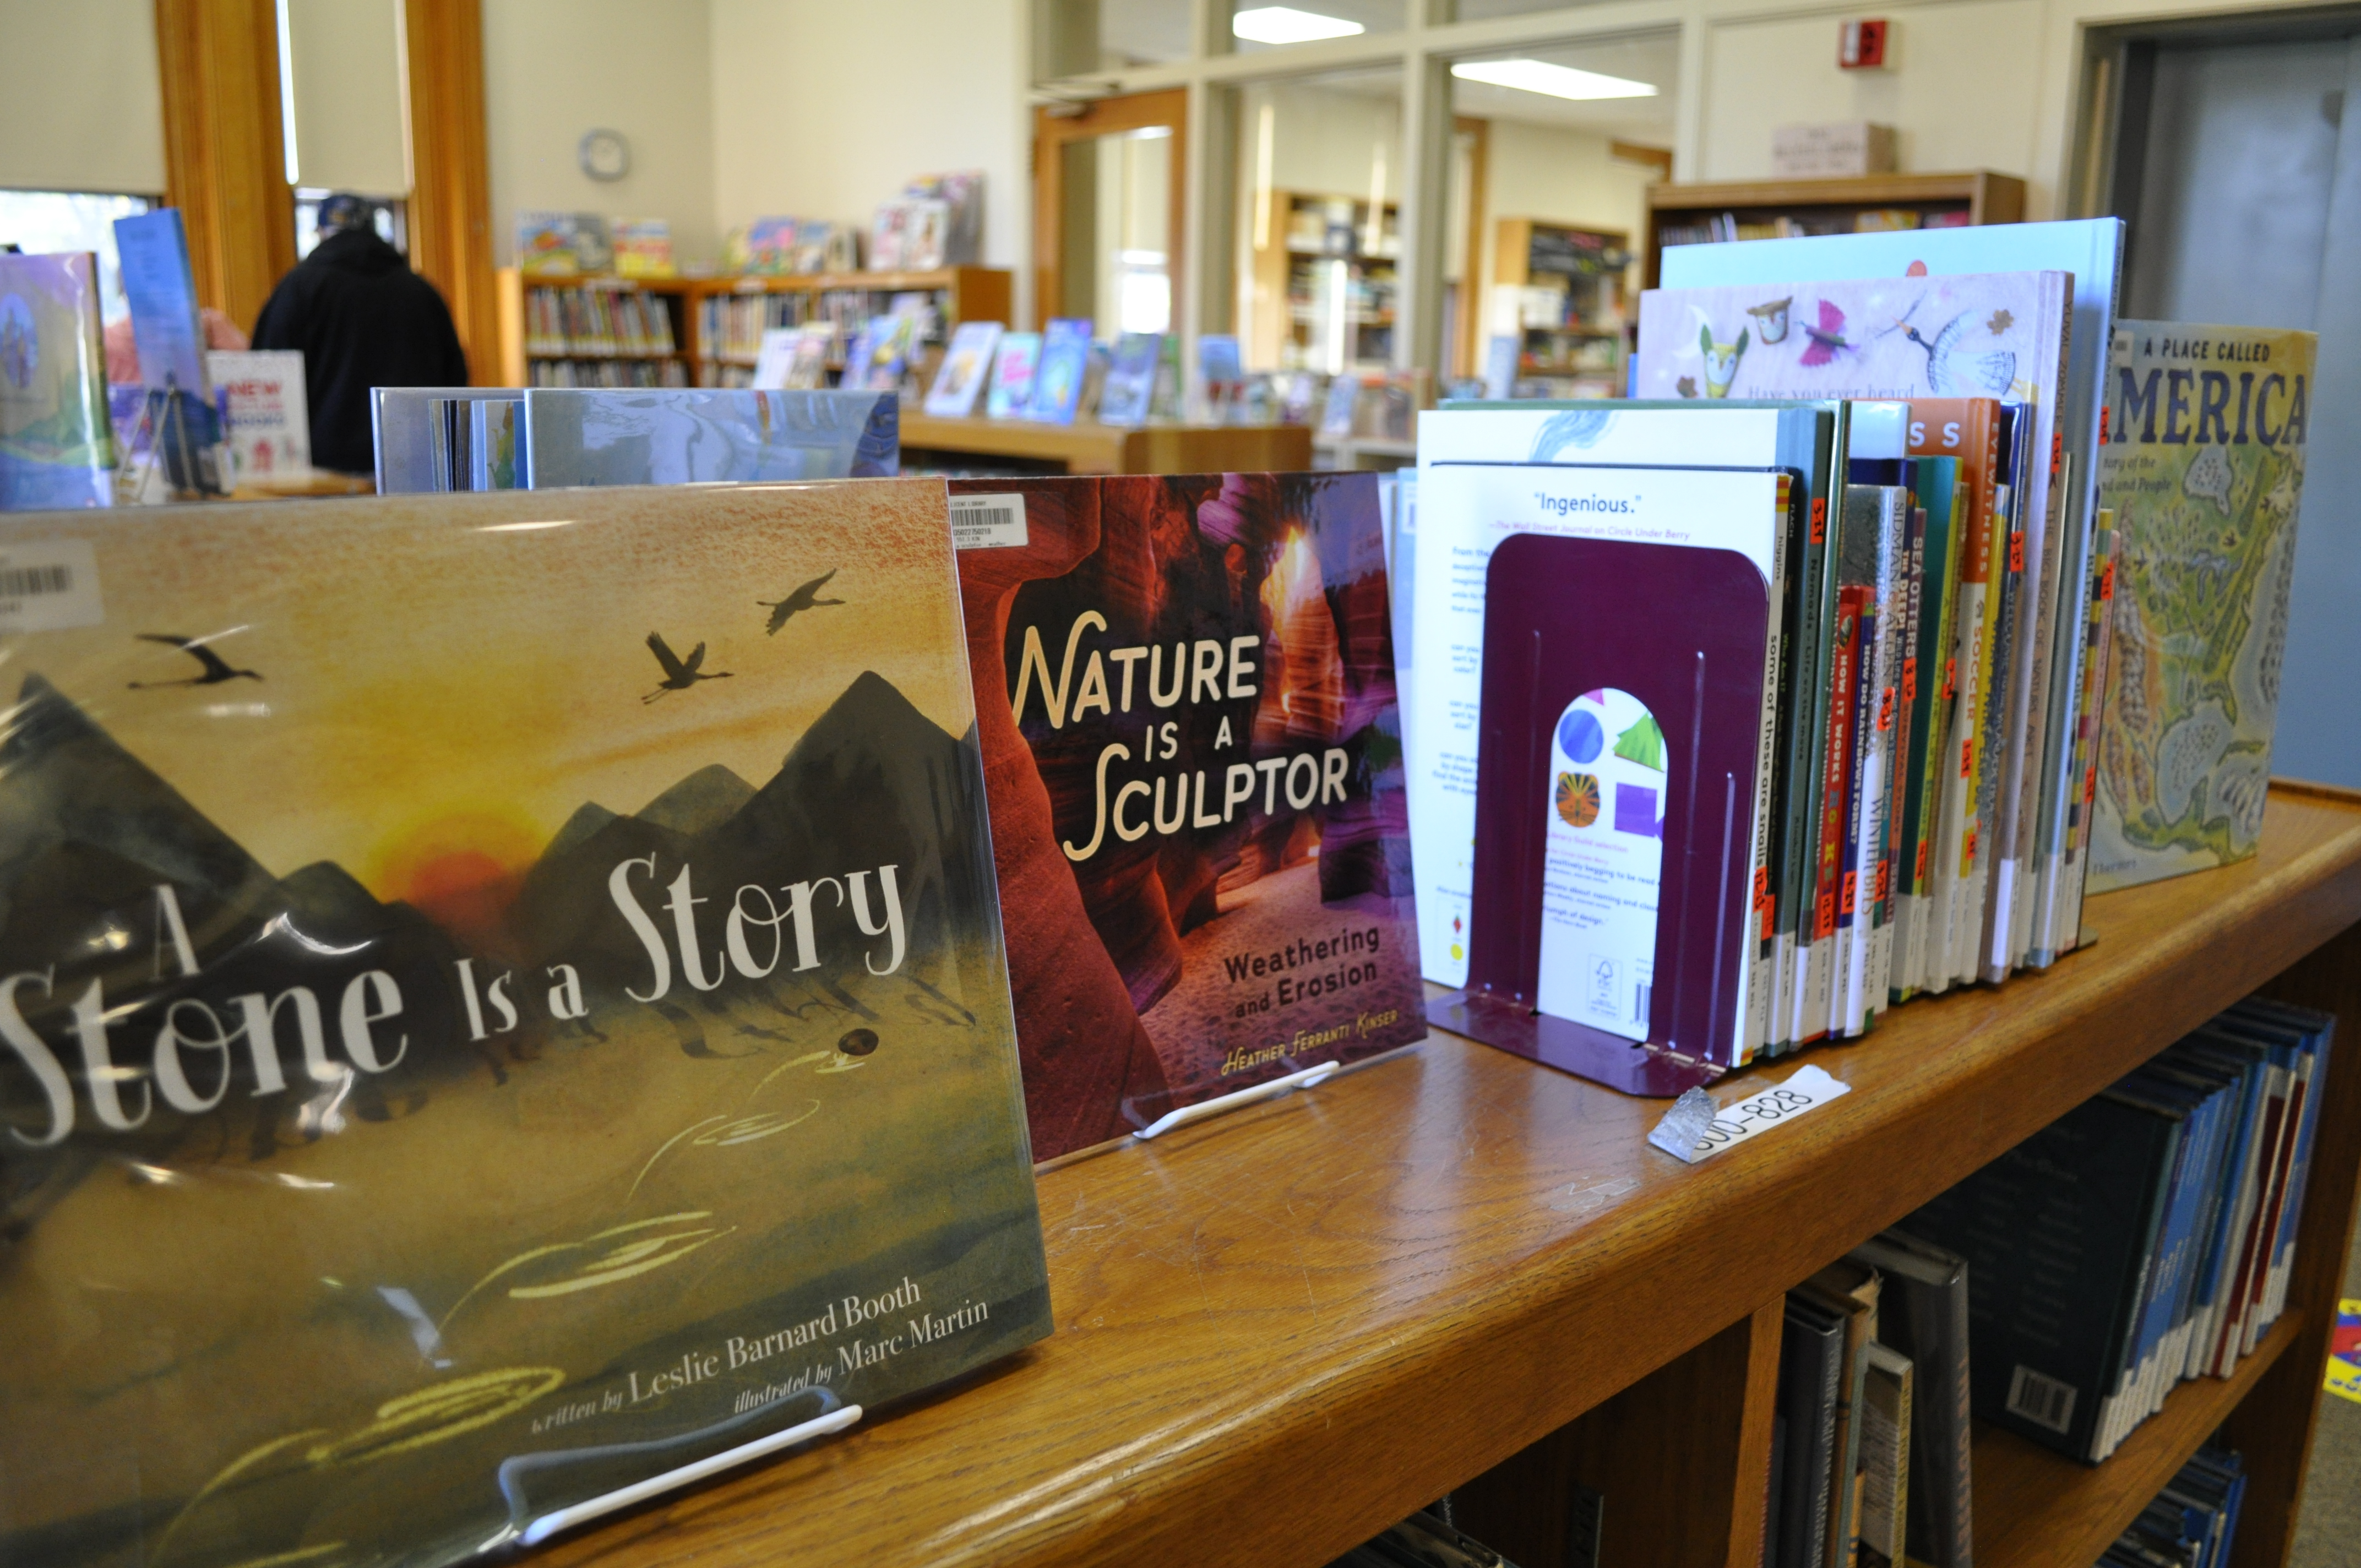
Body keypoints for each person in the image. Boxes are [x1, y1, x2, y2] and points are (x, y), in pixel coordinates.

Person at [253, 193, 468, 476]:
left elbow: (267, 375)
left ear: (321, 233)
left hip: (325, 469)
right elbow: (455, 377)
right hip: (415, 463)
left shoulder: (299, 288)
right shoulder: (421, 292)